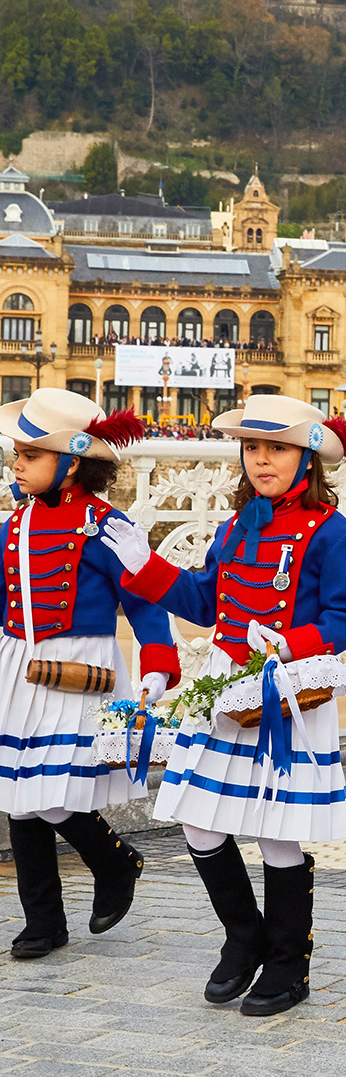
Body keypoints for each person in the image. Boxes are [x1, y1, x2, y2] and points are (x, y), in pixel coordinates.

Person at [103, 394, 346, 1017]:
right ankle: (243, 935)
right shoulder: (234, 527)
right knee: (199, 818)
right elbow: (205, 603)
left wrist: (289, 643)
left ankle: (288, 964)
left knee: (280, 834)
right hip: (225, 684)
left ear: (307, 457)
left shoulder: (335, 533)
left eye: (275, 448)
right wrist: (145, 567)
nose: (260, 460)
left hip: (287, 689)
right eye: (252, 448)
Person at [0, 388, 179, 960]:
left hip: (83, 667)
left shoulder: (104, 526)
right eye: (16, 454)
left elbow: (146, 602)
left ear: (71, 462)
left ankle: (113, 861)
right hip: (18, 663)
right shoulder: (15, 522)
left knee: (52, 791)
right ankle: (43, 922)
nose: (16, 464)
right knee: (21, 796)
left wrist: (157, 664)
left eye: (30, 455)